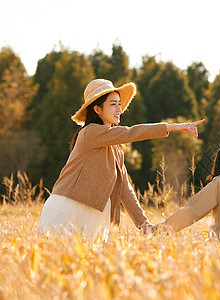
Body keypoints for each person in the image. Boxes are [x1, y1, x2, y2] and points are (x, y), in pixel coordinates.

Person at [37, 78, 204, 240]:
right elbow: (130, 132)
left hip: (95, 212)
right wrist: (172, 126)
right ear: (97, 109)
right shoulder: (89, 132)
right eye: (112, 104)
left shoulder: (117, 149)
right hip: (69, 206)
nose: (119, 109)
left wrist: (144, 225)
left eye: (119, 103)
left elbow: (125, 188)